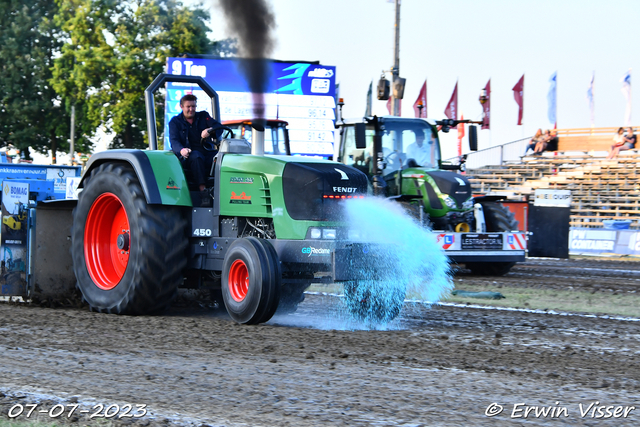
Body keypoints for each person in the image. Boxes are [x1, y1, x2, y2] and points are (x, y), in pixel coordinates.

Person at [169, 94, 223, 192]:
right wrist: (182, 150)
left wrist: (210, 130)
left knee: (221, 157)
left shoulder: (203, 116)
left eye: (193, 106)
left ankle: (223, 190)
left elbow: (218, 127)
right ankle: (203, 191)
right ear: (182, 107)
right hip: (189, 155)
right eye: (188, 107)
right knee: (197, 157)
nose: (191, 109)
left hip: (206, 152)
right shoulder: (175, 122)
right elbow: (174, 141)